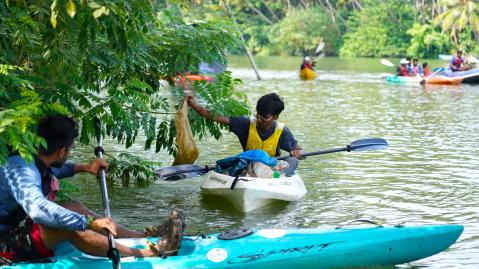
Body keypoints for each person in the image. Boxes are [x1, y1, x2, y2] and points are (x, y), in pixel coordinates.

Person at [0, 115, 184, 265]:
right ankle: (146, 253)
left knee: (73, 206)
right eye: (70, 150)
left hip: (17, 228)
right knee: (69, 227)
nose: (69, 154)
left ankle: (142, 237)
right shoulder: (22, 169)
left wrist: (86, 167)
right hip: (4, 245)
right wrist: (88, 222)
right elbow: (38, 210)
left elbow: (53, 169)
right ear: (62, 152)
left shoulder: (33, 155)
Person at [187, 93, 302, 176]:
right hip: (247, 166)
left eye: (265, 117)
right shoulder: (245, 124)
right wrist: (196, 106)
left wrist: (297, 153)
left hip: (272, 170)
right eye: (258, 115)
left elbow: (301, 152)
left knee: (293, 161)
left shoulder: (282, 131)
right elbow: (216, 117)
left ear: (275, 117)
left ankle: (279, 179)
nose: (260, 120)